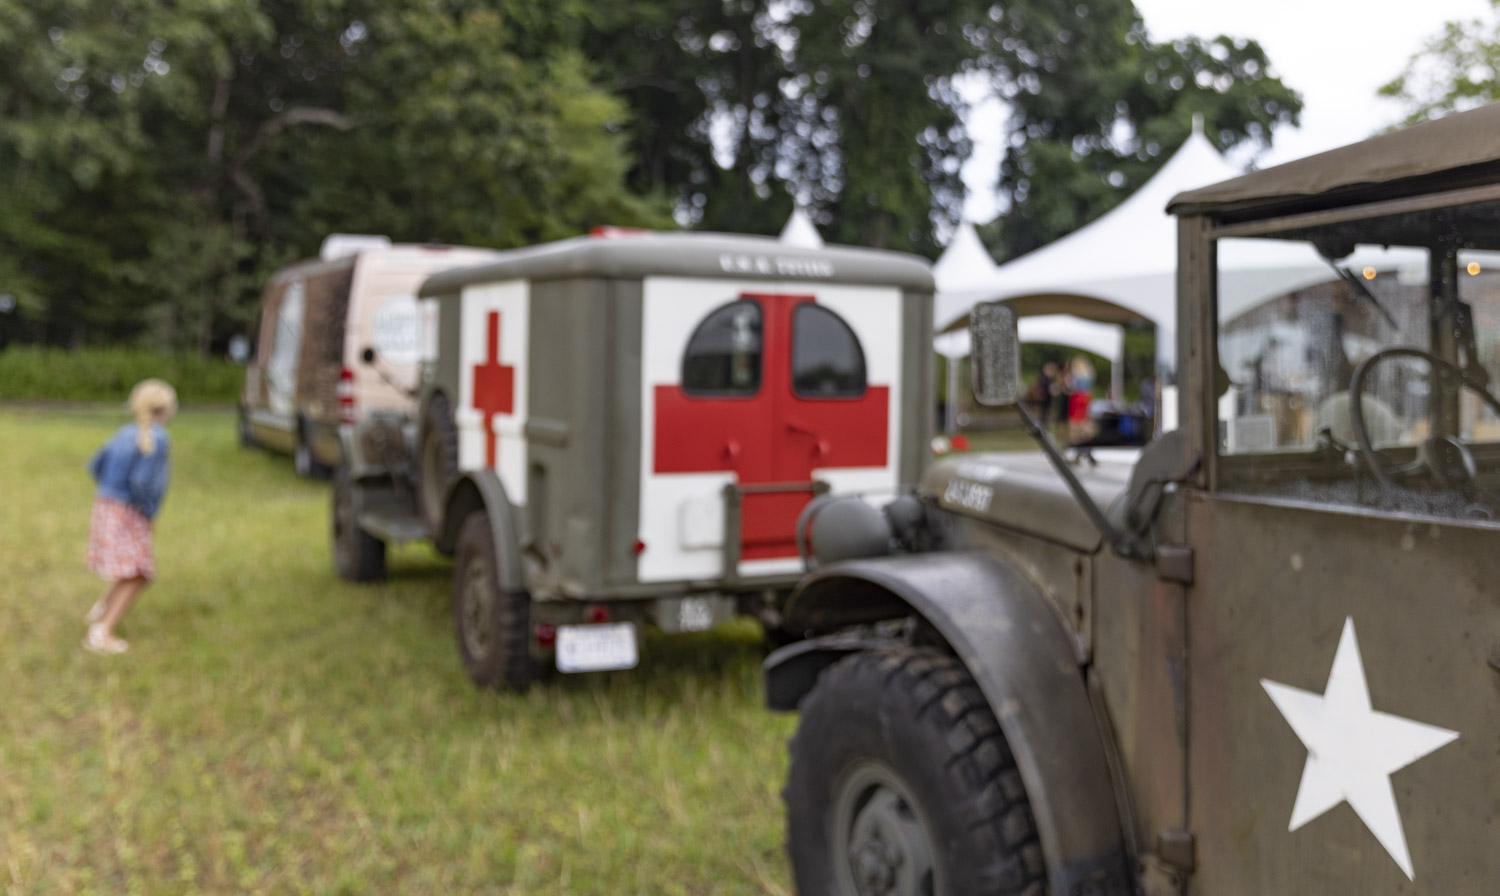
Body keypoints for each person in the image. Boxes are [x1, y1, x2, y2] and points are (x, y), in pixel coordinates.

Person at [83, 379, 177, 655]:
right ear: (167, 409)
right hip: (129, 511)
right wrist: (150, 513)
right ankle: (101, 632)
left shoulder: (125, 432)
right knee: (139, 572)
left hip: (105, 506)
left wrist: (109, 490)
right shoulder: (159, 438)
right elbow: (142, 482)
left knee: (129, 568)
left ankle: (101, 610)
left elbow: (95, 464)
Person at [1066, 355, 1096, 444]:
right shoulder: (1090, 373)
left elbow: (1070, 386)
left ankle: (1074, 439)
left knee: (1074, 419)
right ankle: (1087, 437)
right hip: (1086, 396)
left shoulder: (1075, 373)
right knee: (1085, 418)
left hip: (1076, 396)